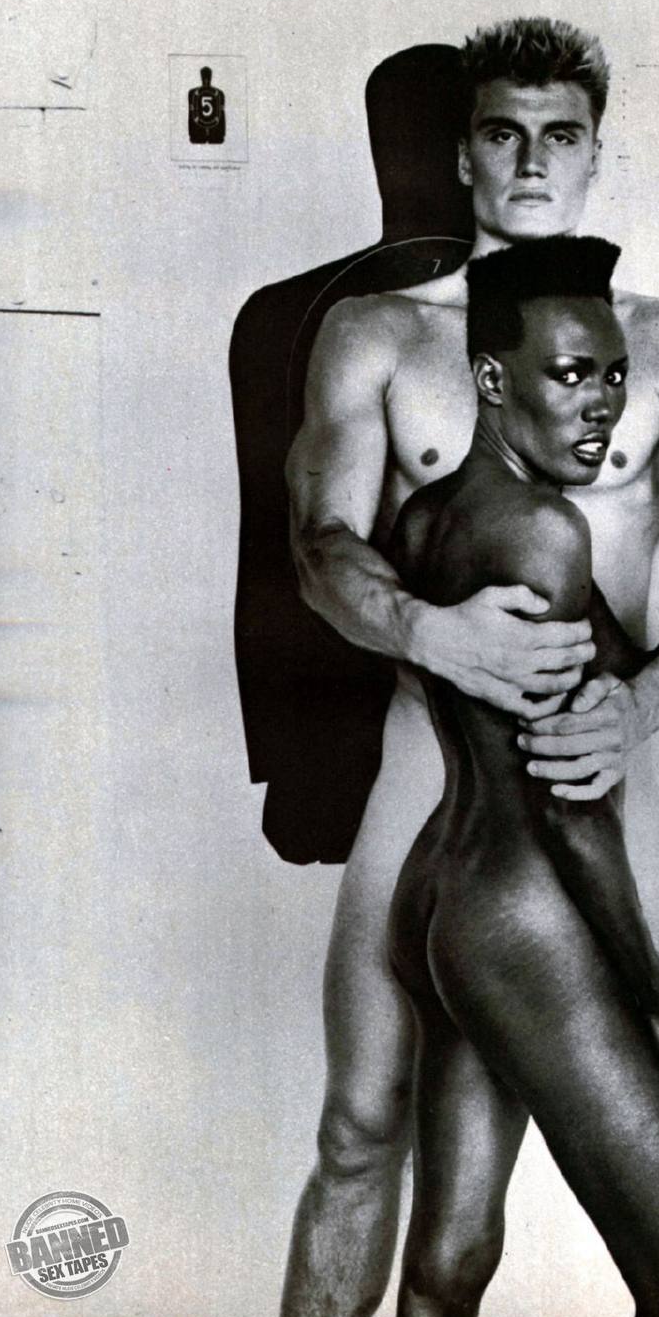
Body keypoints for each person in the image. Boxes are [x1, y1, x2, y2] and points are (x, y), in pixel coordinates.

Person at [283, 17, 659, 1317]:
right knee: (360, 1127)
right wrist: (427, 632)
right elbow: (320, 547)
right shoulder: (376, 337)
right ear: (462, 154)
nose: (530, 161)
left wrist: (641, 703)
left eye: (559, 135)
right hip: (427, 768)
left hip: (599, 772)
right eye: (501, 133)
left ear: (593, 153)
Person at [387, 234, 659, 1317]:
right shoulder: (544, 532)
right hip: (526, 911)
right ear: (493, 381)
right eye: (571, 374)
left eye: (615, 374)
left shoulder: (428, 516)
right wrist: (655, 1017)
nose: (604, 407)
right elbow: (567, 804)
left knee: (446, 1268)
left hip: (440, 893)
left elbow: (591, 675)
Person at [229, 44, 473, 864]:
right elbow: (278, 548)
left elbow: (269, 554)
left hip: (350, 720)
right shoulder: (291, 314)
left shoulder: (279, 313)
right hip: (402, 711)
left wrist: (288, 757)